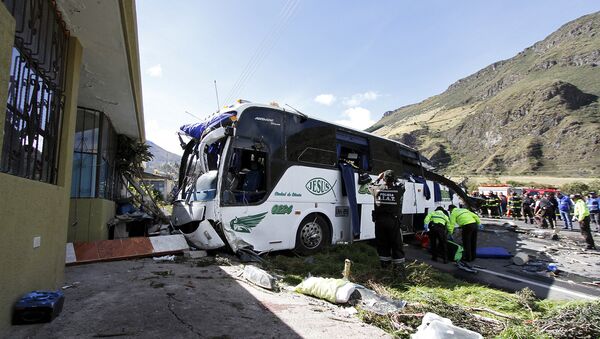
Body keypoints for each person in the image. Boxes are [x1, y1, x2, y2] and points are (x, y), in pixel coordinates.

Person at [369, 170, 406, 272]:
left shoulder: (376, 189)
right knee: (396, 244)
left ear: (383, 179)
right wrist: (395, 179)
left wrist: (378, 178)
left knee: (382, 244)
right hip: (393, 222)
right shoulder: (398, 190)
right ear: (393, 179)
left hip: (380, 222)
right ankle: (398, 269)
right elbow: (402, 186)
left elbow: (370, 185)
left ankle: (385, 266)